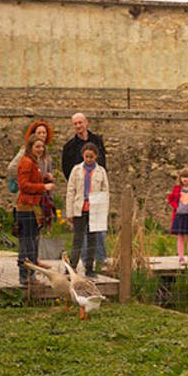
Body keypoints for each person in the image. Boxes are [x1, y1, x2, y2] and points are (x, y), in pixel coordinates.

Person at [61, 113, 107, 264]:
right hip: (79, 193)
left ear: (86, 123)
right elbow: (66, 169)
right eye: (75, 124)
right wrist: (78, 185)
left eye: (80, 122)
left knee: (96, 233)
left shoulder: (97, 141)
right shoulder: (69, 147)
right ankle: (77, 263)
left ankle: (97, 261)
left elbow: (104, 167)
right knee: (79, 236)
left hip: (96, 193)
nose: (78, 126)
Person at [65, 142, 109, 276]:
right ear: (83, 155)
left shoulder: (101, 171)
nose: (89, 159)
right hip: (79, 208)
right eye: (86, 156)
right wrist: (69, 212)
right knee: (77, 239)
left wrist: (102, 211)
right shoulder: (76, 170)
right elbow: (70, 191)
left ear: (96, 156)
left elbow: (105, 191)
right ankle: (72, 266)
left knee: (92, 239)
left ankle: (89, 267)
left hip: (94, 209)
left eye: (91, 157)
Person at [17, 137, 54, 286]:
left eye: (42, 147)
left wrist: (43, 178)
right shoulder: (26, 162)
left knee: (32, 242)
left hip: (33, 206)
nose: (40, 149)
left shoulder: (33, 162)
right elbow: (23, 185)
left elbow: (31, 180)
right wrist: (43, 187)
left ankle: (30, 275)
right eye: (37, 146)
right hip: (27, 207)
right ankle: (25, 276)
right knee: (27, 243)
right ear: (30, 147)